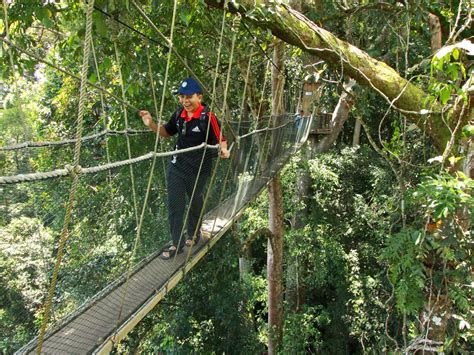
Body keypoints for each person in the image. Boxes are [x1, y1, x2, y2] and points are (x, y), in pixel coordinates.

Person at [139, 77, 230, 260]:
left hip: (198, 169)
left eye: (189, 97)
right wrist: (150, 124)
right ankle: (176, 244)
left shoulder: (208, 117)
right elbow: (166, 132)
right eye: (182, 97)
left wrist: (224, 149)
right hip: (177, 166)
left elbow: (221, 139)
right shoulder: (179, 113)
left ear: (200, 97)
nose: (185, 101)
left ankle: (194, 233)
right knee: (175, 205)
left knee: (196, 202)